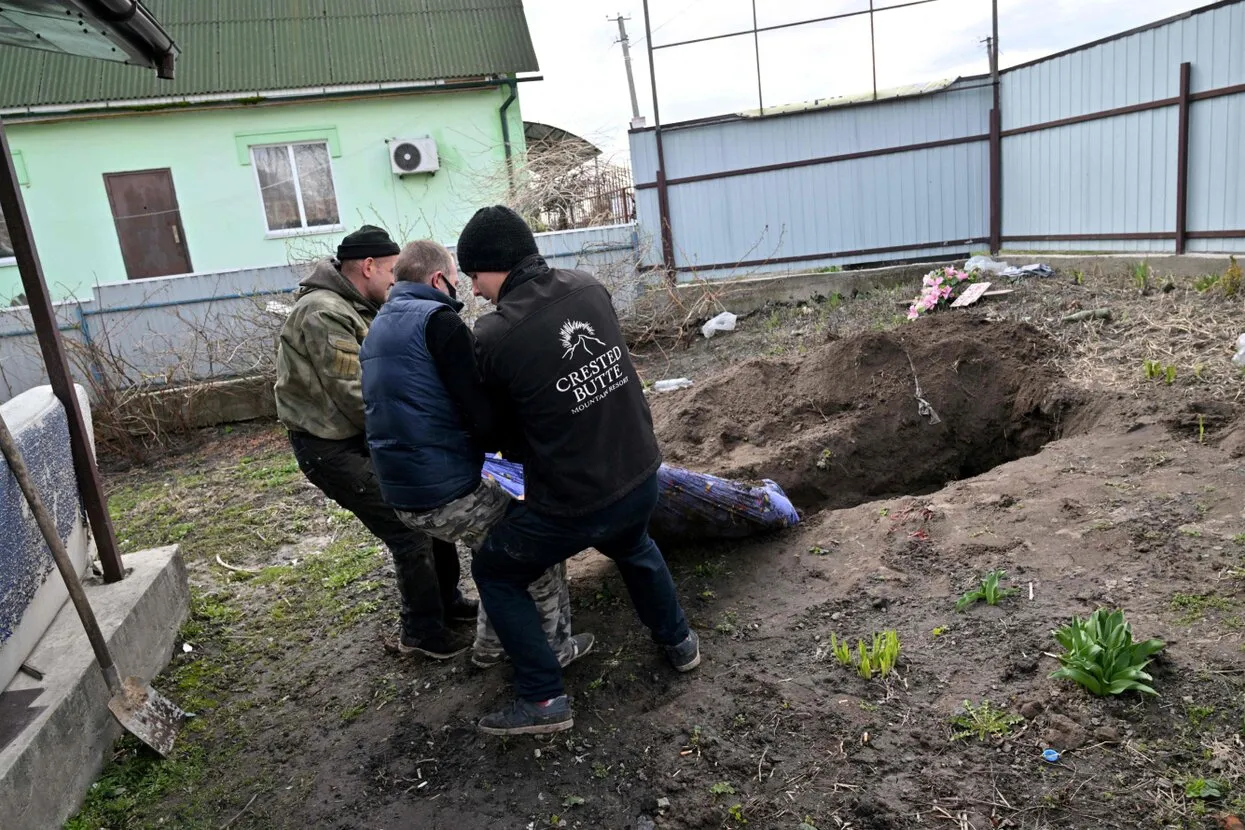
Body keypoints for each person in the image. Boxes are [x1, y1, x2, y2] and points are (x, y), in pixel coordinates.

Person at [458, 206, 700, 736]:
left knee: (495, 571)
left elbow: (494, 432)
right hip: (640, 476)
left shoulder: (495, 334)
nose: (473, 290)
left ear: (495, 266)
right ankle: (679, 642)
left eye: (474, 276)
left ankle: (543, 698)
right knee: (633, 543)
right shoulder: (588, 288)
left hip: (576, 504)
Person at [358, 239, 592, 669]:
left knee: (493, 551)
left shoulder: (380, 326)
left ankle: (490, 647)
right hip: (448, 490)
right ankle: (556, 650)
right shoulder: (440, 323)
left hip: (403, 493)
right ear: (437, 279)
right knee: (535, 541)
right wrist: (525, 468)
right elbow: (483, 417)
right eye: (454, 278)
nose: (463, 290)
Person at [273, 225, 475, 660]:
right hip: (331, 448)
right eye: (391, 273)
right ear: (368, 267)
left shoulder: (356, 304)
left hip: (360, 439)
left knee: (428, 508)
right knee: (408, 527)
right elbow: (357, 395)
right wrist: (419, 434)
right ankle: (422, 635)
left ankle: (448, 605)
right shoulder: (323, 312)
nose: (397, 282)